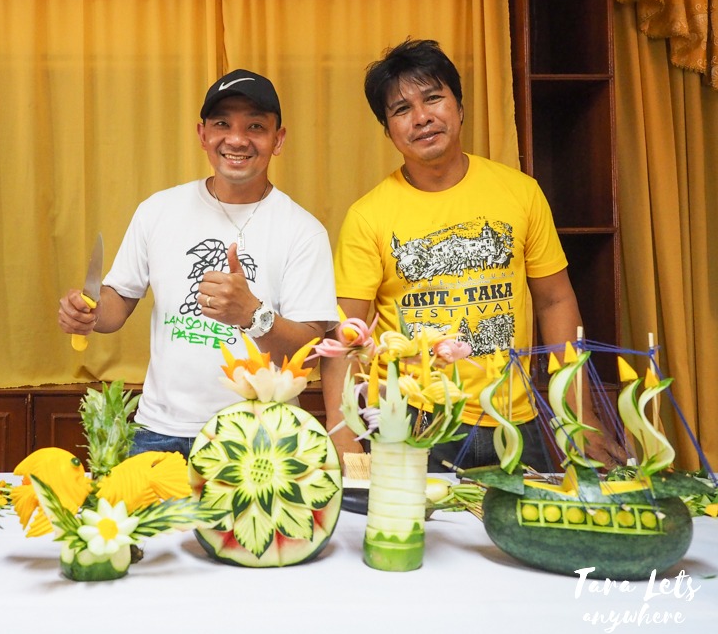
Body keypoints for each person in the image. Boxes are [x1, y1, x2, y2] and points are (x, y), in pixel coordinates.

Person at [322, 39, 622, 472]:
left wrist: (580, 414)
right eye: (401, 109)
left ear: (459, 107)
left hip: (517, 420)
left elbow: (555, 300)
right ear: (388, 130)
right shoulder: (368, 216)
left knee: (527, 536)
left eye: (433, 99)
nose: (421, 117)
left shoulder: (520, 192)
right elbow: (344, 339)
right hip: (414, 424)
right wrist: (345, 434)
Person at [59, 69, 339, 458]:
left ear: (278, 139)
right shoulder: (158, 210)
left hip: (258, 438)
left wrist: (253, 315)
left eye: (255, 126)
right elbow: (116, 304)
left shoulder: (303, 231)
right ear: (202, 134)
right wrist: (88, 314)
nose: (237, 139)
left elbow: (309, 352)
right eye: (222, 123)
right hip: (158, 432)